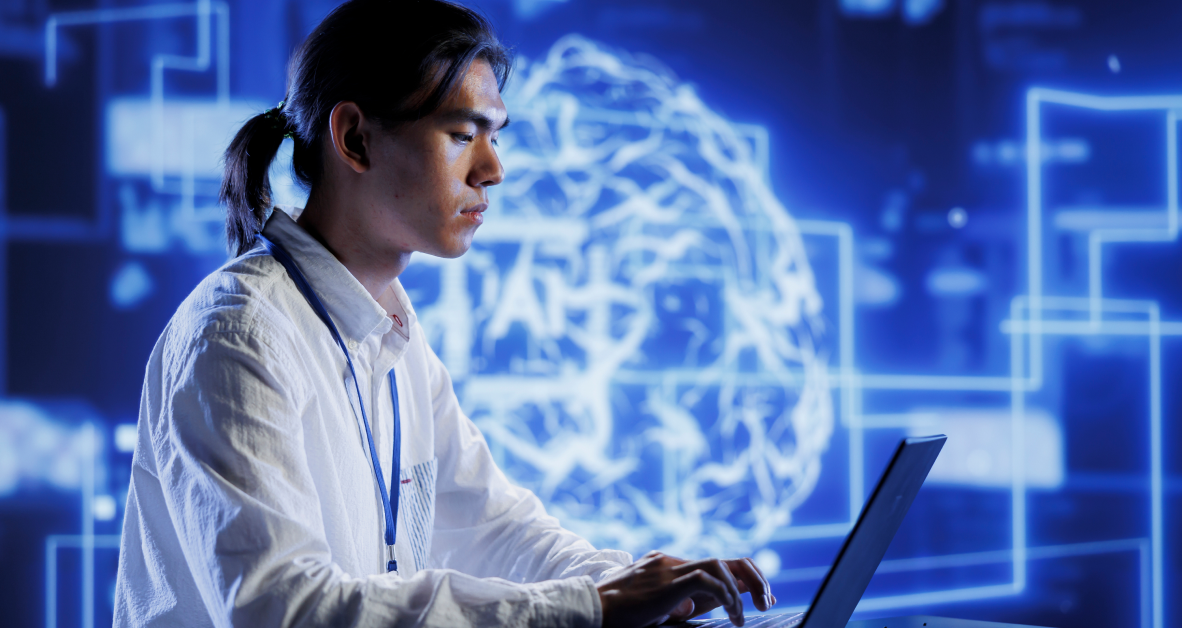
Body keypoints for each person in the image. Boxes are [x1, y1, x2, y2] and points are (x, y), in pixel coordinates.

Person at [113, 1, 775, 626]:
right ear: (356, 139)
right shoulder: (239, 334)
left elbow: (491, 526)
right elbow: (284, 609)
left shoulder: (393, 338)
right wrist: (590, 608)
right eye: (462, 135)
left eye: (493, 137)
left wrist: (636, 584)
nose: (492, 169)